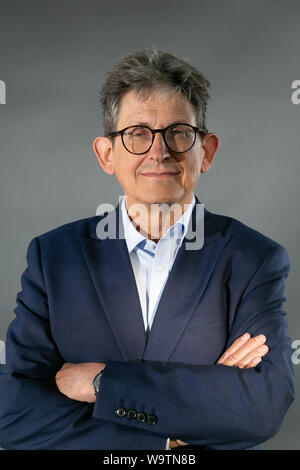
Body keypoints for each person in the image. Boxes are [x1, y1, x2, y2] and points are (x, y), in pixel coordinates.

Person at [0, 49, 295, 450]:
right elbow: (14, 411)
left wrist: (105, 384)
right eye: (137, 133)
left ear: (205, 151)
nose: (159, 152)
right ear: (107, 155)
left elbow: (263, 405)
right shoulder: (53, 258)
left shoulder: (254, 258)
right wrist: (167, 437)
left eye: (178, 132)